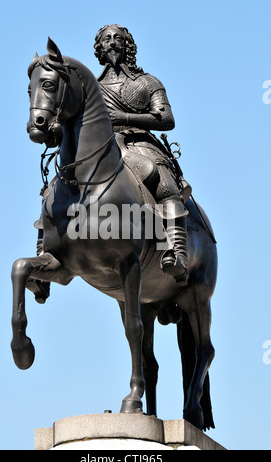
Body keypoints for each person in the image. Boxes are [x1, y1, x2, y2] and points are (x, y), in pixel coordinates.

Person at [94, 24, 189, 285]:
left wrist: (124, 117)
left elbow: (167, 119)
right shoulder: (91, 87)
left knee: (164, 182)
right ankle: (46, 248)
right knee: (60, 182)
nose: (112, 42)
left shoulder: (148, 82)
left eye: (118, 39)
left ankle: (178, 254)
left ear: (127, 45)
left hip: (140, 143)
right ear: (100, 47)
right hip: (102, 148)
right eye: (107, 39)